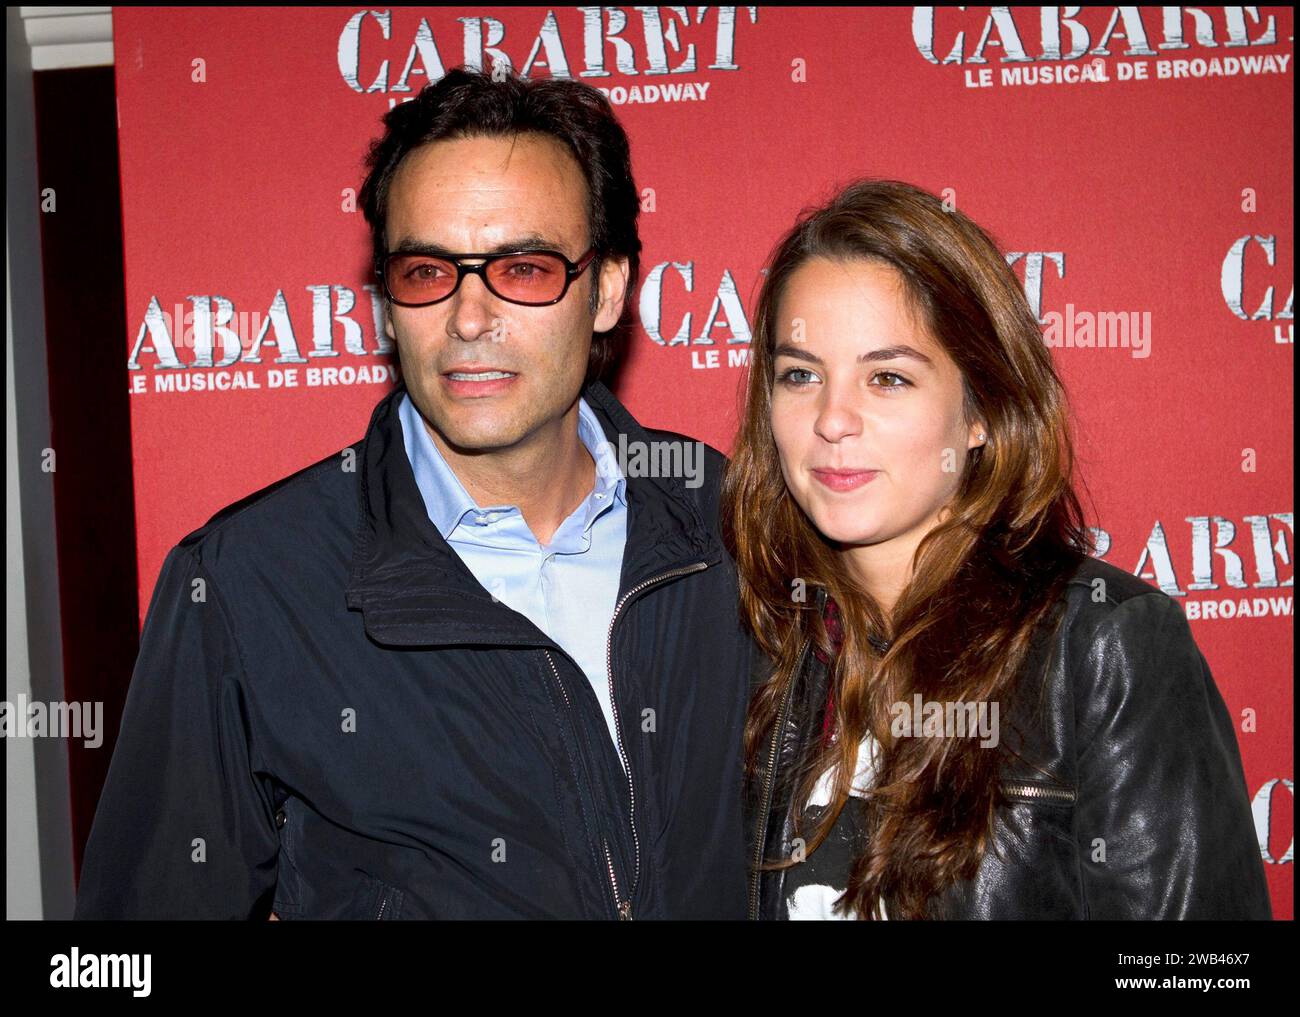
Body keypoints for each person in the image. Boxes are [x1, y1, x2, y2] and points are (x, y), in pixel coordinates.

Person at [75, 67, 755, 920]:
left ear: (608, 288)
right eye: (429, 271)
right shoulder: (244, 585)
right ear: (388, 306)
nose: (470, 317)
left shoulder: (735, 525)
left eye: (526, 268)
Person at [722, 179, 1272, 920]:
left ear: (982, 409)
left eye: (888, 377)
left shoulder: (1103, 647)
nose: (833, 420)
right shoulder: (756, 644)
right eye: (800, 375)